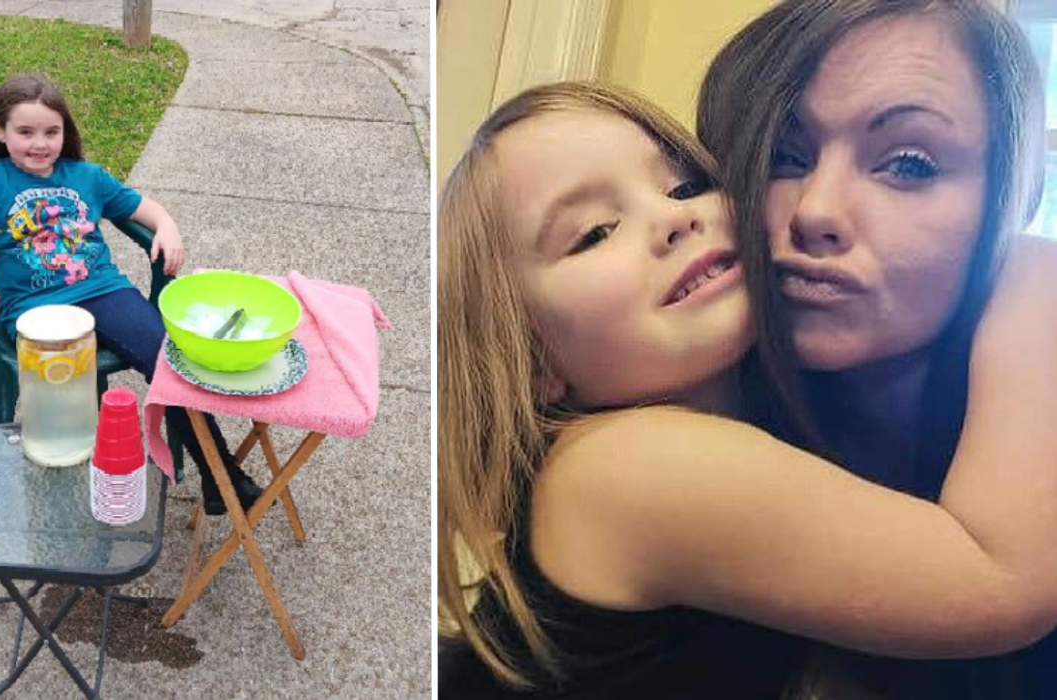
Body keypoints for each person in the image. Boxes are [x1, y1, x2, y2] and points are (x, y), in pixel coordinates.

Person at [436, 81, 1057, 699]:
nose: (675, 218)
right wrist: (1030, 264)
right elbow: (1000, 579)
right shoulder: (630, 467)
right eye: (594, 232)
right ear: (533, 358)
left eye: (684, 185)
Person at [696, 0, 1047, 696]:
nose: (816, 212)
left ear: (1012, 196)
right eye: (783, 157)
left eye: (908, 164)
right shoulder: (674, 431)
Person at [0, 74, 261, 515]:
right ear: (0, 131)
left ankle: (221, 478)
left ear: (65, 132)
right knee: (61, 392)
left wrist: (168, 226)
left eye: (51, 132)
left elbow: (142, 208)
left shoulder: (86, 176)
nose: (39, 144)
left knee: (168, 359)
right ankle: (62, 501)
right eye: (25, 132)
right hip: (38, 308)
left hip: (104, 293)